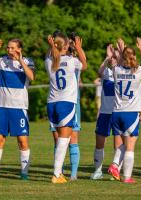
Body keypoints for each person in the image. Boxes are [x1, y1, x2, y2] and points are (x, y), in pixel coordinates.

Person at [0, 39, 35, 181]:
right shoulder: (1, 61)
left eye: (13, 48)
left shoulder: (28, 61)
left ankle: (24, 174)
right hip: (2, 107)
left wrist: (21, 61)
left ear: (19, 49)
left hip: (19, 108)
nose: (9, 50)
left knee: (22, 141)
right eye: (8, 48)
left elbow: (32, 77)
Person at [107, 38, 141, 183]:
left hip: (116, 112)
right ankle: (126, 177)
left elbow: (120, 63)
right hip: (130, 113)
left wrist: (121, 51)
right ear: (134, 56)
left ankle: (115, 165)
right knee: (130, 146)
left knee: (122, 144)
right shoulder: (137, 71)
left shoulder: (116, 69)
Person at [46, 34, 87, 183]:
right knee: (65, 139)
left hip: (51, 103)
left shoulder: (49, 61)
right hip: (66, 103)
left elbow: (50, 54)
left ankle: (59, 173)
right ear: (65, 47)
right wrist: (79, 48)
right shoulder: (71, 61)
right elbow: (85, 65)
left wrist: (51, 46)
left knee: (59, 139)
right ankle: (57, 174)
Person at [90, 43, 120, 180]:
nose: (113, 58)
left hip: (119, 112)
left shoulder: (123, 71)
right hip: (105, 112)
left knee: (118, 143)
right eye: (111, 56)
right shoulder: (106, 72)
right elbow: (99, 71)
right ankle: (98, 170)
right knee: (99, 141)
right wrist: (107, 58)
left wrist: (117, 58)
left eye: (115, 56)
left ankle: (116, 170)